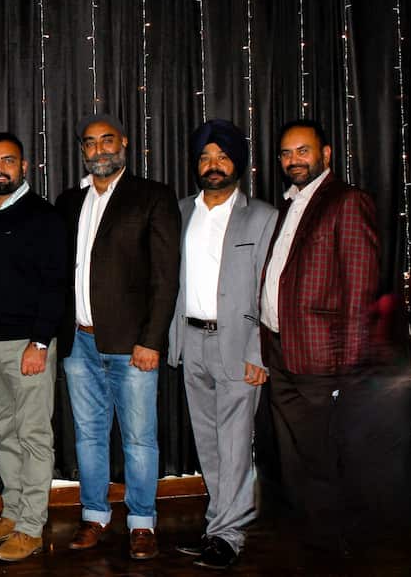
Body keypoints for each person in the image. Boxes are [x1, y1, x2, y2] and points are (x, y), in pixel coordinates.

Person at [259, 119, 393, 552]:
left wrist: (350, 367)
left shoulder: (347, 201)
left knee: (327, 455)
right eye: (286, 153)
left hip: (324, 357)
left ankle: (340, 544)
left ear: (326, 154)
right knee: (296, 454)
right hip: (281, 349)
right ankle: (311, 536)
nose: (293, 160)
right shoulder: (288, 205)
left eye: (303, 151)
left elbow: (360, 290)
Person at [56, 113, 180, 560]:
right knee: (88, 436)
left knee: (139, 438)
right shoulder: (69, 202)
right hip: (79, 342)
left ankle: (142, 522)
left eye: (107, 140)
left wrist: (152, 340)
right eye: (90, 143)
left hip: (132, 346)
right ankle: (93, 516)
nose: (100, 149)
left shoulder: (152, 197)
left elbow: (166, 279)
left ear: (123, 143)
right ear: (82, 150)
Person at [165, 120, 277, 569]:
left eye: (223, 157)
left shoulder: (263, 216)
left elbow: (270, 291)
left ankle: (229, 535)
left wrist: (259, 351)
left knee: (234, 442)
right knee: (208, 442)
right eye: (205, 158)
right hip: (191, 341)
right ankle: (218, 526)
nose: (213, 165)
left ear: (239, 164)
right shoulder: (180, 212)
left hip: (238, 345)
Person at [0, 133, 67, 562]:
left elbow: (55, 284)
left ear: (24, 167)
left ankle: (31, 525)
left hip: (28, 347)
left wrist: (39, 342)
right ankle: (11, 512)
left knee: (33, 437)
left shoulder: (44, 217)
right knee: (4, 435)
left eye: (8, 161)